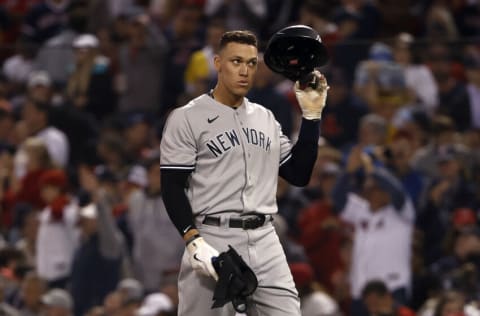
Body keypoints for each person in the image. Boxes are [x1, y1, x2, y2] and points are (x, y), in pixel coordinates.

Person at [160, 30, 329, 315]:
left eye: (251, 63)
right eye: (236, 61)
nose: (244, 70)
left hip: (265, 237)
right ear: (217, 63)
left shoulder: (265, 118)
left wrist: (311, 117)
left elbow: (299, 175)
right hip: (213, 237)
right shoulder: (187, 117)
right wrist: (192, 239)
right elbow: (172, 185)